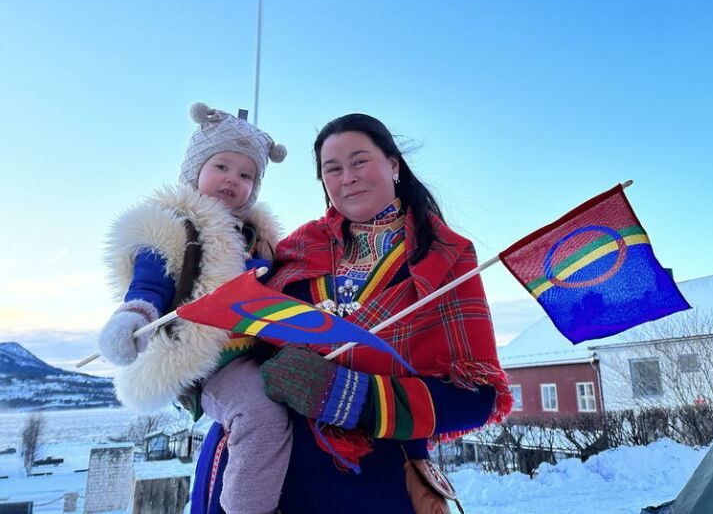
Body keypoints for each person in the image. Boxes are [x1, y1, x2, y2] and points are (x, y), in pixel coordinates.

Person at [191, 113, 513, 514]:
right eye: (333, 168)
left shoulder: (445, 257)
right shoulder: (294, 248)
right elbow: (231, 336)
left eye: (360, 161)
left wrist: (350, 397)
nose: (348, 177)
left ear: (393, 165)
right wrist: (185, 368)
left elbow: (477, 399)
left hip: (373, 487)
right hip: (251, 480)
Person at [99, 102, 292, 514]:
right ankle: (248, 508)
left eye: (246, 175)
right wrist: (134, 317)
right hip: (209, 359)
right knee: (260, 415)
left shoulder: (260, 238)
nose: (232, 180)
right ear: (195, 170)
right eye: (221, 166)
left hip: (260, 349)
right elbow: (151, 281)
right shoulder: (175, 227)